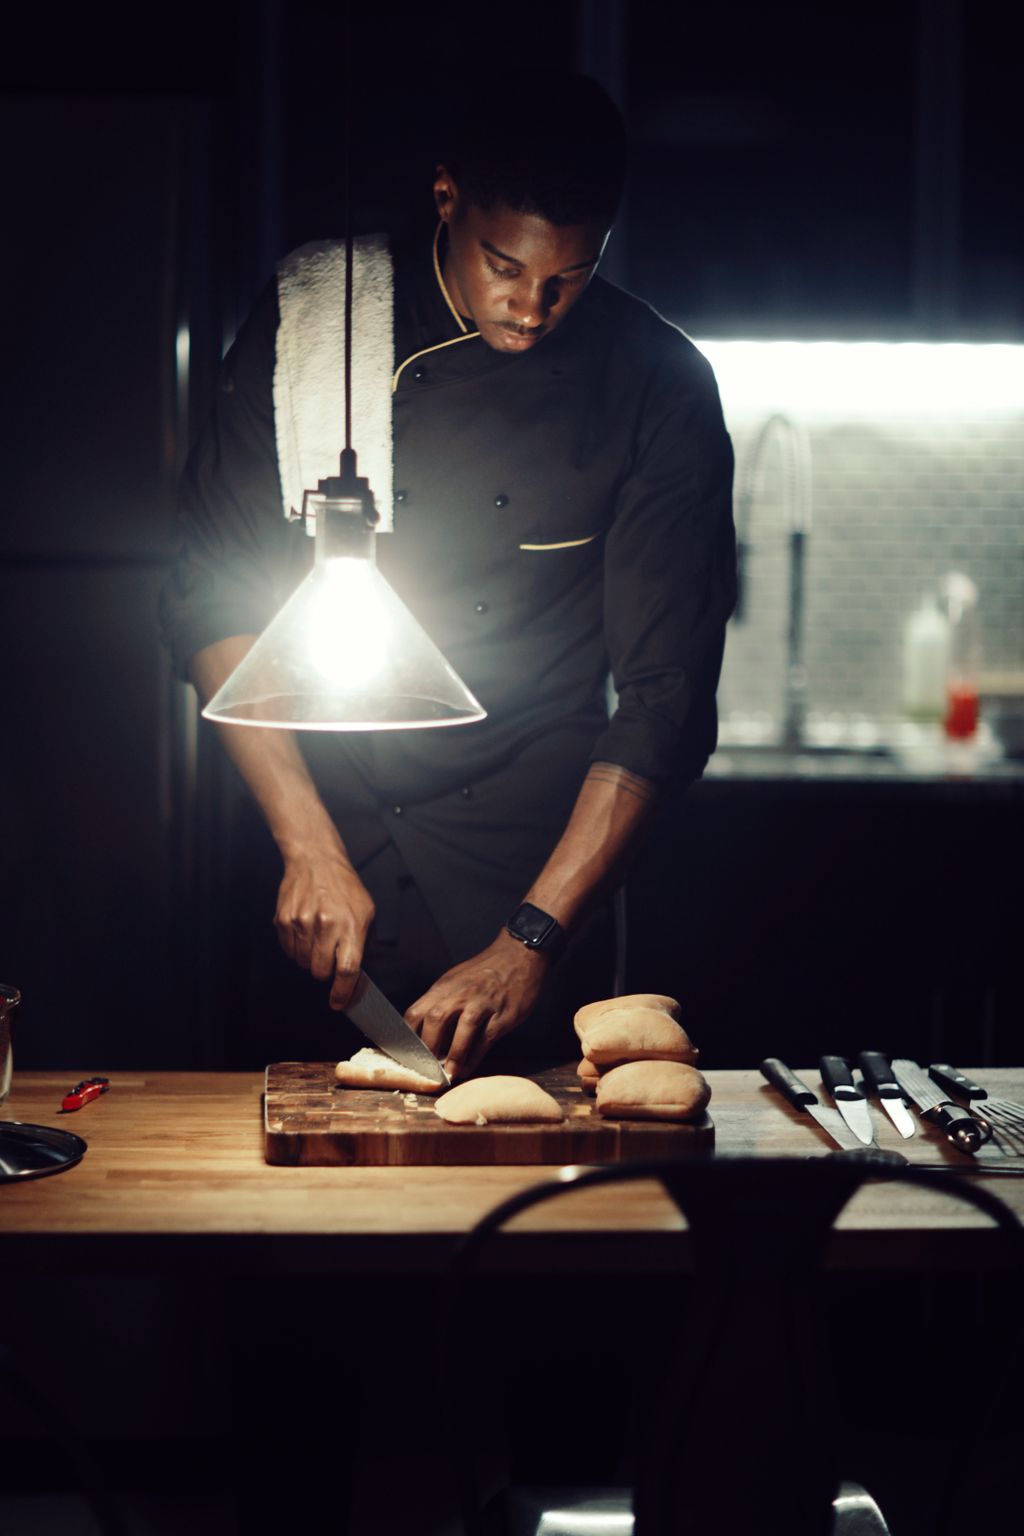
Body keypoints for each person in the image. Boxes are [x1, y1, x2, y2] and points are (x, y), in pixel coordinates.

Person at [160, 71, 736, 1080]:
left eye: (571, 275)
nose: (532, 306)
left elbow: (665, 698)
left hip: (529, 863)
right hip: (318, 835)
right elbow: (211, 590)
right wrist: (306, 844)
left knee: (539, 1202)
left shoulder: (659, 386)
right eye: (504, 265)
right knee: (292, 1169)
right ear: (445, 201)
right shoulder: (316, 329)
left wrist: (531, 938)